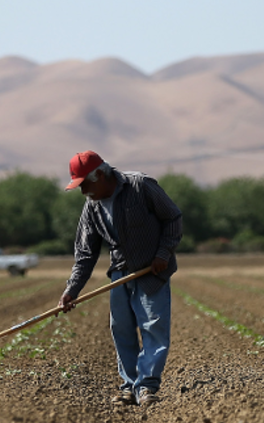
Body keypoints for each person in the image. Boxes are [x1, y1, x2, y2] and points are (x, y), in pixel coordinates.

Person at [58, 151, 182, 407]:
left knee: (153, 328)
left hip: (152, 272)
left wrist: (163, 254)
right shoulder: (92, 206)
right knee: (121, 330)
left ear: (100, 175)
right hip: (120, 274)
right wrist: (73, 289)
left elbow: (173, 218)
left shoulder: (140, 186)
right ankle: (129, 386)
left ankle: (146, 387)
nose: (83, 193)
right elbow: (85, 253)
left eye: (85, 185)